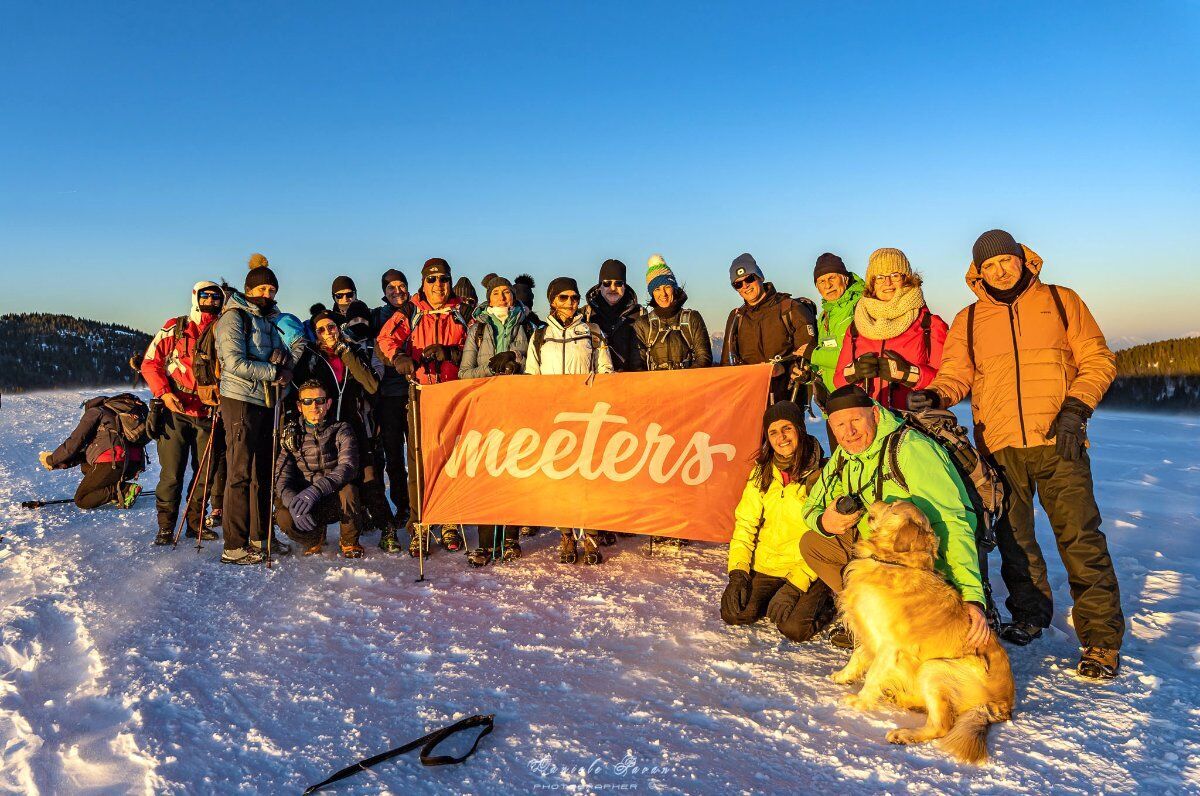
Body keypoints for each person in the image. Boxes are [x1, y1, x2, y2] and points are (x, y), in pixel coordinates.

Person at [910, 229, 1123, 679]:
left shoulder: (1061, 301)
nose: (1000, 270)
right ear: (979, 272)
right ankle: (1029, 614)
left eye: (1005, 260)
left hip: (1059, 440)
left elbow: (1098, 359)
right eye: (989, 265)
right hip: (1000, 446)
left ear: (1023, 260)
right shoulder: (970, 319)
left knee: (1081, 539)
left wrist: (1076, 409)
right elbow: (956, 374)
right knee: (1014, 541)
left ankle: (1101, 641)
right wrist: (935, 396)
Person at [799, 386, 989, 650]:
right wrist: (824, 521)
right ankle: (870, 618)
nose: (849, 432)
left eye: (856, 420)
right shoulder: (845, 455)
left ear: (875, 415)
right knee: (814, 543)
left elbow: (953, 523)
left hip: (921, 565)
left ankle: (905, 619)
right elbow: (811, 506)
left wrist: (971, 597)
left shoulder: (911, 449)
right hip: (881, 556)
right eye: (840, 425)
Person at [376, 257, 470, 555]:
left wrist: (450, 353)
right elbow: (385, 338)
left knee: (452, 458)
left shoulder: (463, 311)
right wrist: (399, 357)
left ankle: (450, 518)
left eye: (443, 279)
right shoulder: (412, 310)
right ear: (423, 282)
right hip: (421, 393)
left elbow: (476, 346)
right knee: (419, 459)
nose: (438, 285)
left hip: (454, 393)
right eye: (432, 279)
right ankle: (420, 523)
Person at [721, 401, 834, 643]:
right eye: (773, 432)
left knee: (794, 628)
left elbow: (828, 539)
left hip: (808, 567)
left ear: (800, 429)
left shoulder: (822, 474)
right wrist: (738, 572)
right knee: (734, 612)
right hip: (770, 564)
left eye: (787, 429)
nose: (781, 437)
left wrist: (796, 585)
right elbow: (745, 524)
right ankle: (775, 596)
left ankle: (824, 600)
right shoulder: (762, 472)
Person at [526, 276, 614, 565]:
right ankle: (566, 534)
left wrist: (598, 394)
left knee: (589, 477)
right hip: (554, 418)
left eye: (574, 297)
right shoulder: (540, 335)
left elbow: (606, 372)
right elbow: (531, 377)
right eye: (563, 297)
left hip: (587, 415)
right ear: (552, 301)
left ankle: (591, 534)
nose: (570, 302)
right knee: (561, 479)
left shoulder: (593, 332)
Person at [214, 253, 295, 565]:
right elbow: (233, 362)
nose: (268, 294)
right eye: (262, 289)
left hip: (266, 401)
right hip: (239, 400)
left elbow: (281, 354)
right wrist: (273, 371)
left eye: (272, 290)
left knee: (262, 472)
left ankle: (260, 536)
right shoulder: (234, 318)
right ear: (249, 290)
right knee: (239, 472)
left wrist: (283, 363)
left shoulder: (268, 320)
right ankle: (234, 545)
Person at [460, 274, 538, 566]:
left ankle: (511, 538)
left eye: (507, 292)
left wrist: (515, 360)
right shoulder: (478, 329)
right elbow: (464, 373)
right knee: (487, 474)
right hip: (486, 408)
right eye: (496, 293)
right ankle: (486, 543)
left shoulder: (527, 325)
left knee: (514, 472)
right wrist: (492, 369)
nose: (502, 297)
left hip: (518, 406)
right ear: (488, 298)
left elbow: (536, 366)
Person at [141, 281, 226, 544]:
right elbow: (150, 362)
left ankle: (195, 524)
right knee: (171, 473)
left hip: (209, 411)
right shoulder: (176, 328)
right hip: (175, 410)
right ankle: (166, 527)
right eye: (205, 296)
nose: (210, 301)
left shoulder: (225, 330)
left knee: (204, 474)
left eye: (216, 297)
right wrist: (164, 393)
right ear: (195, 298)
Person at [294, 307, 391, 535]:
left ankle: (387, 529)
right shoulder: (311, 356)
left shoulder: (353, 350)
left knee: (369, 478)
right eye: (321, 330)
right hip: (324, 428)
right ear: (315, 334)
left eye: (331, 327)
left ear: (339, 329)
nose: (327, 332)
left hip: (354, 425)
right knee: (327, 479)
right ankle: (321, 532)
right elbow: (298, 389)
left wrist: (345, 351)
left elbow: (371, 385)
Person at [833, 248, 947, 413]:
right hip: (869, 421)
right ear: (872, 283)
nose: (887, 283)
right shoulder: (857, 327)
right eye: (880, 277)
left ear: (907, 279)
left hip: (912, 421)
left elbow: (946, 380)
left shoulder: (930, 325)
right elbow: (838, 381)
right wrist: (854, 371)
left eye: (895, 275)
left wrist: (910, 375)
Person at [274, 380, 365, 557]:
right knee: (284, 516)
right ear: (299, 406)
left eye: (319, 400)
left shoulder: (341, 429)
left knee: (350, 490)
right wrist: (293, 502)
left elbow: (348, 466)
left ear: (328, 403)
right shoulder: (292, 436)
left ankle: (349, 541)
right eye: (307, 401)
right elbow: (281, 477)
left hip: (332, 496)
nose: (314, 406)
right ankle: (314, 538)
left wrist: (316, 490)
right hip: (306, 500)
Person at [720, 253, 818, 403]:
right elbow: (727, 365)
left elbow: (808, 354)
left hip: (787, 397)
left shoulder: (790, 308)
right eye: (738, 284)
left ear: (760, 277)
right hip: (751, 398)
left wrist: (785, 368)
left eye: (749, 279)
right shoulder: (736, 317)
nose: (745, 286)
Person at [369, 268, 414, 551]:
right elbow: (373, 347)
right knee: (394, 456)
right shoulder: (379, 317)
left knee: (419, 454)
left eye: (401, 286)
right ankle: (403, 506)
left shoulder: (416, 312)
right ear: (384, 292)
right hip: (388, 395)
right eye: (391, 288)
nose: (397, 291)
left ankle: (422, 504)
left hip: (416, 391)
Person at [39, 394, 147, 510]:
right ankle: (108, 491)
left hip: (113, 462)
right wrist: (60, 463)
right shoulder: (118, 414)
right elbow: (85, 453)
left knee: (81, 499)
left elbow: (75, 441)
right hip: (132, 465)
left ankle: (123, 490)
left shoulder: (95, 412)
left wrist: (51, 459)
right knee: (86, 466)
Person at [633, 254, 713, 371]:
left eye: (667, 287)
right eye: (657, 289)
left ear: (674, 288)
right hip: (655, 382)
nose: (663, 294)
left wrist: (684, 379)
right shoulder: (643, 324)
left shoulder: (692, 318)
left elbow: (704, 358)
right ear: (652, 293)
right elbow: (637, 365)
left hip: (689, 382)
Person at [811, 253, 865, 399]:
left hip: (857, 399)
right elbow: (825, 355)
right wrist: (810, 372)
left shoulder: (861, 306)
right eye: (821, 281)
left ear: (845, 278)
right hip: (832, 400)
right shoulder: (824, 316)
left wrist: (813, 355)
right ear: (817, 287)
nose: (827, 285)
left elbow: (855, 356)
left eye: (832, 278)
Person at [584, 259, 645, 372]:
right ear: (600, 286)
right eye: (607, 283)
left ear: (624, 286)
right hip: (596, 379)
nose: (613, 288)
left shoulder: (640, 314)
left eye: (618, 283)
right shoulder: (586, 315)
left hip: (632, 379)